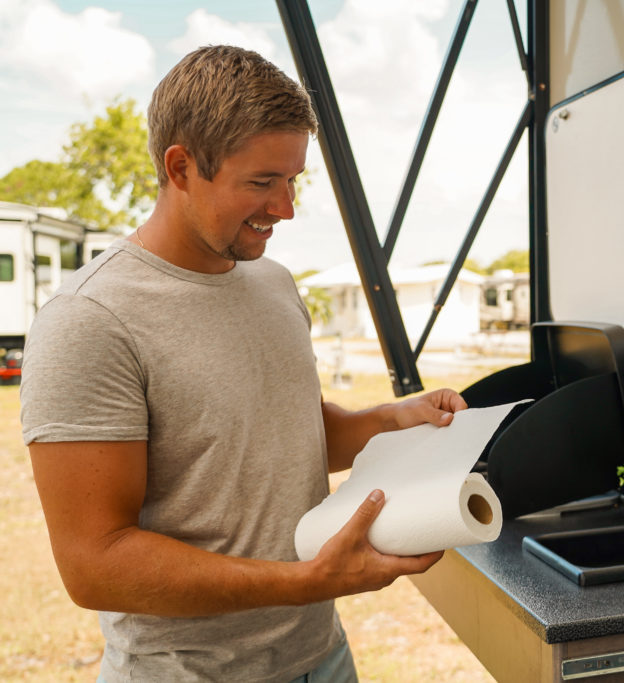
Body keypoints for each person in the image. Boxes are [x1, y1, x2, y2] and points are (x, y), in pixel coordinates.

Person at [20, 45, 466, 682]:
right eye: (261, 182)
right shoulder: (89, 320)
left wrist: (395, 418)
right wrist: (304, 582)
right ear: (180, 167)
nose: (285, 208)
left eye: (293, 181)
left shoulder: (274, 284)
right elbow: (95, 563)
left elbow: (289, 432)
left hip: (322, 657)